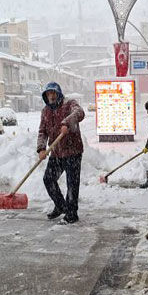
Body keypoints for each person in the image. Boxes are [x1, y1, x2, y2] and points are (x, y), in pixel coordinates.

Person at [37, 81, 85, 224]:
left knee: (72, 183)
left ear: (58, 94)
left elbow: (80, 113)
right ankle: (60, 205)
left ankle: (72, 213)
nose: (51, 96)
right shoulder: (45, 111)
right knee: (48, 179)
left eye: (53, 93)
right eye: (48, 93)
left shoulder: (69, 104)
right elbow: (42, 132)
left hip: (73, 151)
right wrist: (41, 148)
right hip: (56, 153)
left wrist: (67, 122)